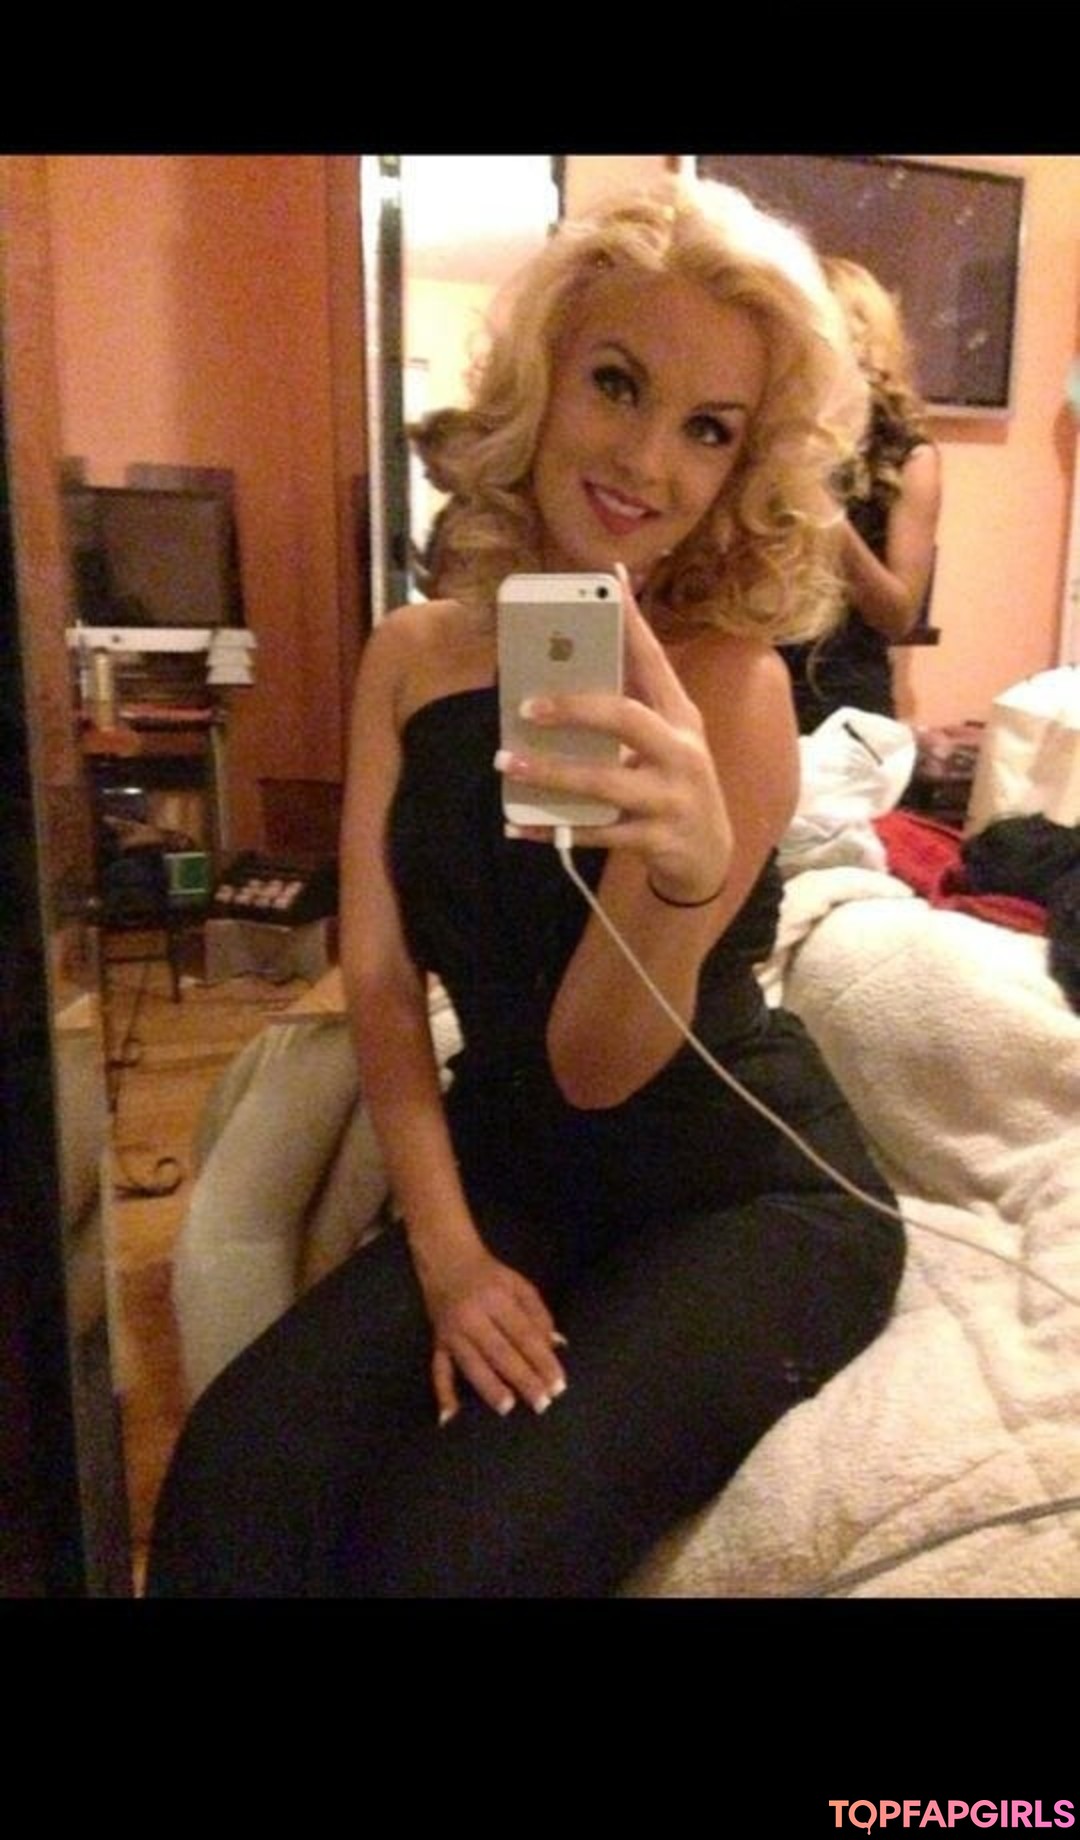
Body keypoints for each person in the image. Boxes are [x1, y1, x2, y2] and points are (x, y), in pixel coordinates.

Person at [146, 177, 905, 1598]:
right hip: (509, 1171)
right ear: (541, 381)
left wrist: (683, 882)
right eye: (617, 383)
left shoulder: (728, 688)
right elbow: (381, 981)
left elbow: (597, 1064)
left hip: (742, 1196)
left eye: (710, 429)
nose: (647, 462)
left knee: (445, 1559)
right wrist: (444, 1250)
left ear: (745, 466)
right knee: (233, 1485)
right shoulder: (408, 656)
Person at [780, 254, 942, 733]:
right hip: (747, 680)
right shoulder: (770, 434)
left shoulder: (910, 457)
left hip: (843, 702)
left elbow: (899, 615)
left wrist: (823, 513)